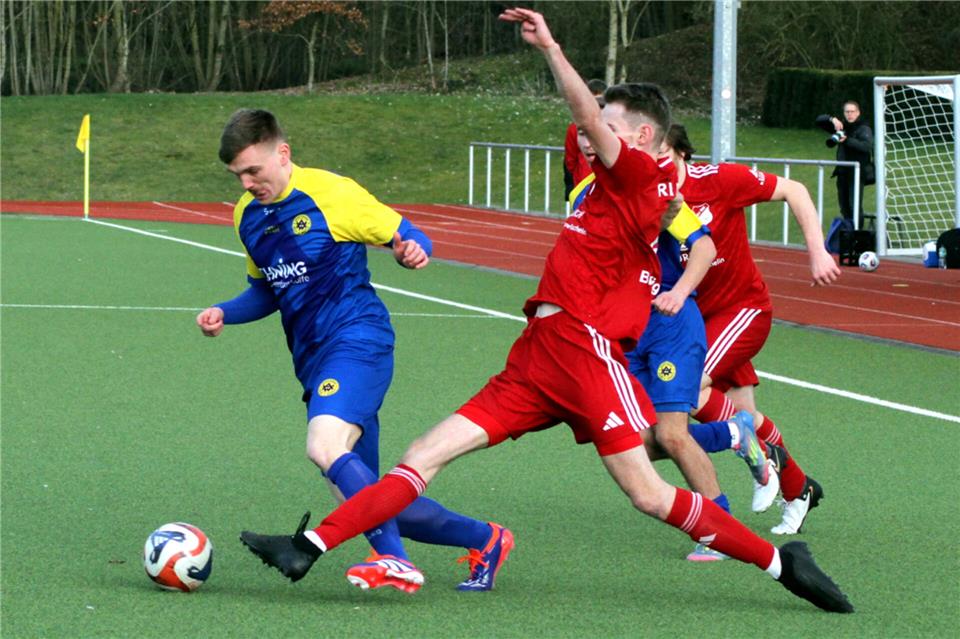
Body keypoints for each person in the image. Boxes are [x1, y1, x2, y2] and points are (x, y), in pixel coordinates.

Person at [237, 10, 853, 614]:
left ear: (639, 136)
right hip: (538, 354)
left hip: (586, 351)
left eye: (609, 124)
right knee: (422, 454)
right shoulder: (618, 184)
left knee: (647, 493)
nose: (591, 130)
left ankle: (782, 564)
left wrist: (551, 48)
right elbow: (611, 153)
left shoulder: (638, 172)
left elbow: (593, 119)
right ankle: (307, 548)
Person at [197, 108, 513, 594]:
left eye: (253, 170)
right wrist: (224, 312)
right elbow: (265, 291)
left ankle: (394, 560)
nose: (245, 183)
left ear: (283, 154)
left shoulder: (333, 193)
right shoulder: (247, 216)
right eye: (236, 175)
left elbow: (409, 234)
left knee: (323, 446)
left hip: (358, 340)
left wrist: (412, 251)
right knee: (371, 502)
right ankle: (487, 539)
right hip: (312, 359)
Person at [575, 124, 779, 563]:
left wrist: (679, 291)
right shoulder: (582, 196)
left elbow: (703, 248)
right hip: (626, 329)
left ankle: (717, 530)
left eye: (601, 134)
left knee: (671, 433)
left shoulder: (661, 193)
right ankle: (732, 432)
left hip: (670, 325)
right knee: (634, 442)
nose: (591, 144)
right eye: (584, 137)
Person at [661, 123, 842, 534]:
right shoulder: (647, 198)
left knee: (688, 392)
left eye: (664, 156)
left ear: (682, 154)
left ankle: (743, 445)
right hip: (696, 320)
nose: (657, 166)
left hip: (742, 310)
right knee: (746, 414)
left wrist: (817, 251)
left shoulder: (720, 180)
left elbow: (794, 189)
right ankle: (799, 490)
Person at [828, 101, 875, 227]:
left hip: (857, 173)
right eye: (847, 112)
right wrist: (832, 119)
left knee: (854, 206)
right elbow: (819, 120)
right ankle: (849, 233)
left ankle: (857, 235)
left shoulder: (864, 128)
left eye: (852, 111)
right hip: (842, 172)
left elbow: (866, 146)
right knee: (844, 207)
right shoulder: (841, 127)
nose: (849, 114)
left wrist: (847, 140)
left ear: (858, 113)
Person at [563, 78, 606, 202]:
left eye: (600, 102)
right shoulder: (574, 128)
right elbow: (570, 160)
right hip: (584, 184)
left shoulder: (614, 126)